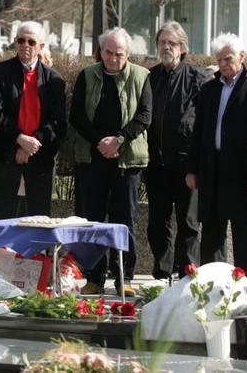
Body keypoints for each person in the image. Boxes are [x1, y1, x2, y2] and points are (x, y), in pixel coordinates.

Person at [69, 27, 151, 296]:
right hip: (93, 158)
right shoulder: (87, 75)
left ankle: (124, 277)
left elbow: (144, 116)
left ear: (127, 54)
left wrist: (118, 139)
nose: (114, 59)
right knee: (93, 219)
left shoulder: (141, 76)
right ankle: (94, 277)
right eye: (108, 53)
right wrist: (99, 143)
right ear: (101, 51)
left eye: (119, 54)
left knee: (124, 219)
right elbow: (77, 115)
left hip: (126, 160)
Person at [186, 33, 247, 278]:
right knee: (212, 232)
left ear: (241, 57)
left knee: (244, 232)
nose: (222, 64)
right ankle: (213, 284)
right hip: (212, 168)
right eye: (219, 60)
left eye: (228, 59)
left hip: (242, 171)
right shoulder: (209, 89)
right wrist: (192, 168)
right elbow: (198, 131)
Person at [144, 22, 210, 280]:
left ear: (182, 48)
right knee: (157, 223)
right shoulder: (150, 77)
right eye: (162, 43)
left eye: (172, 43)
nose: (166, 47)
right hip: (157, 163)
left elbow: (202, 123)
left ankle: (189, 275)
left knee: (189, 223)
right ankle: (162, 272)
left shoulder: (198, 78)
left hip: (186, 164)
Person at [0, 21, 66, 220]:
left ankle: (36, 253)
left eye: (31, 41)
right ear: (15, 42)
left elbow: (58, 122)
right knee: (0, 216)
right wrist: (19, 139)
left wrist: (33, 143)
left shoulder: (54, 80)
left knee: (39, 218)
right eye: (21, 40)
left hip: (40, 157)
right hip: (6, 154)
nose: (25, 45)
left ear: (41, 46)